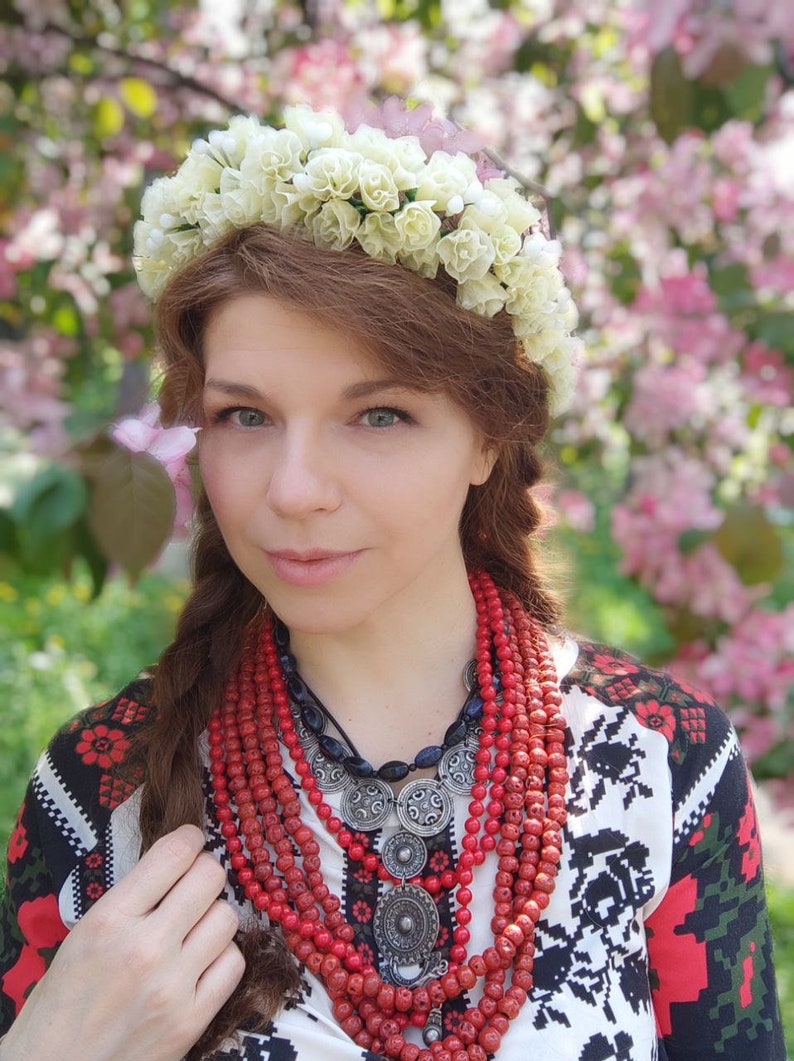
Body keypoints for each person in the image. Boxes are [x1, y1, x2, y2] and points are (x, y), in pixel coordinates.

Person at [0, 102, 785, 1061]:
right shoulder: (98, 790)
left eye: (377, 417)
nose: (292, 491)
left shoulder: (671, 769)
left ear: (490, 435)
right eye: (245, 416)